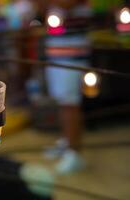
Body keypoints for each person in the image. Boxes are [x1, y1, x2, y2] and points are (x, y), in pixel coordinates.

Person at [44, 0, 92, 174]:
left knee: (70, 103)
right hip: (58, 50)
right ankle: (67, 142)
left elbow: (65, 3)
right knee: (63, 101)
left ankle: (75, 153)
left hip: (72, 52)